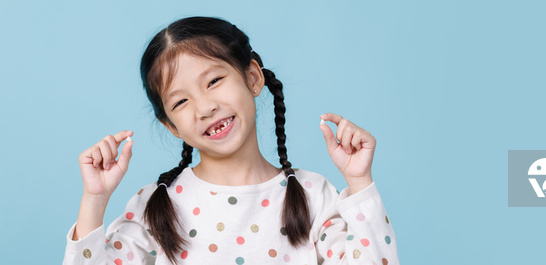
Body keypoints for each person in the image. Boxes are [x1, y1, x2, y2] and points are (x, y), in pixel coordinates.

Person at [62, 16, 398, 265]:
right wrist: (94, 199)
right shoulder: (156, 206)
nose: (205, 107)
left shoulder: (313, 196)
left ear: (253, 78)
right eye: (181, 102)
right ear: (171, 126)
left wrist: (359, 181)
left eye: (214, 80)